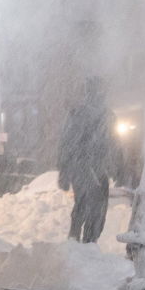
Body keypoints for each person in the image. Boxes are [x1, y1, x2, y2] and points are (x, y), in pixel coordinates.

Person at [58, 77, 116, 243]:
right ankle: (81, 243)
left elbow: (114, 144)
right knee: (89, 207)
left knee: (89, 207)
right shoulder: (82, 114)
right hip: (86, 168)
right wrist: (65, 172)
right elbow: (68, 144)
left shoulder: (103, 114)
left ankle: (82, 243)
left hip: (91, 169)